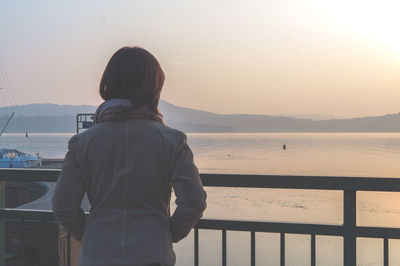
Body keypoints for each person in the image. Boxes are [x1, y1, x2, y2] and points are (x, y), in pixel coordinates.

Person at [52, 47, 207, 266]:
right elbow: (194, 203)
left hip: (98, 255)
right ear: (155, 87)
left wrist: (89, 235)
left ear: (109, 82)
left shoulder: (82, 143)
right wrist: (167, 234)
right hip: (153, 255)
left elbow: (62, 205)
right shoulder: (172, 141)